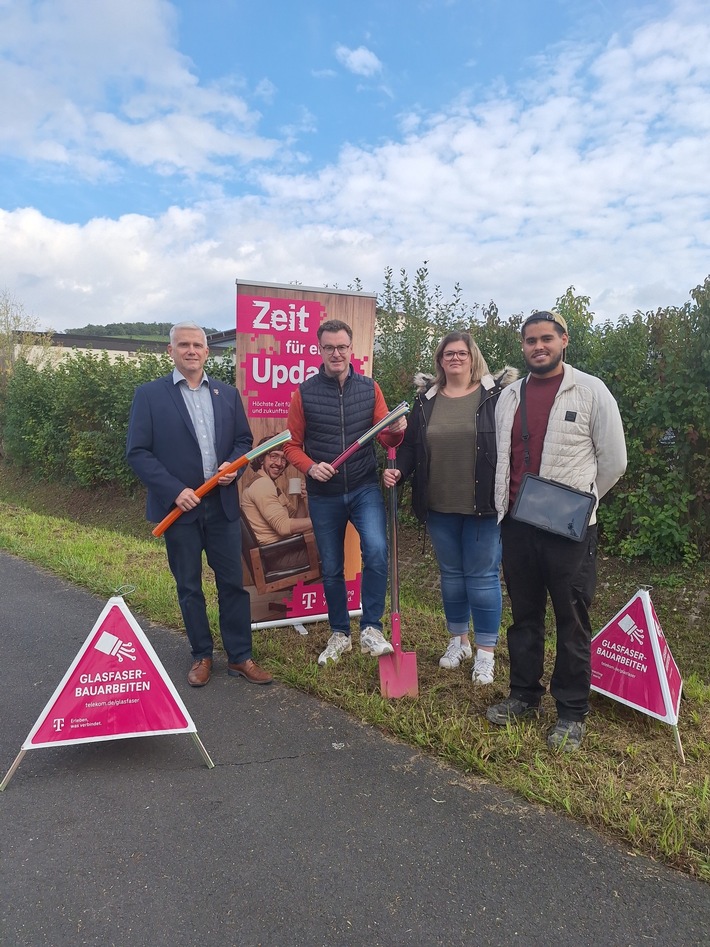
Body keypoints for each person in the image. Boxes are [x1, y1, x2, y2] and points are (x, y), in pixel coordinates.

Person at [486, 310, 626, 751]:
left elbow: (615, 462)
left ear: (564, 340)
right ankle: (524, 696)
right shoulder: (509, 396)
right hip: (516, 527)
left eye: (547, 338)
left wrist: (583, 502)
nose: (538, 347)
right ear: (523, 345)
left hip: (569, 531)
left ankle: (570, 712)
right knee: (525, 617)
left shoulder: (590, 390)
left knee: (572, 621)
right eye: (530, 340)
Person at [125, 321, 272, 688]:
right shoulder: (150, 395)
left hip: (221, 506)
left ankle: (240, 657)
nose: (191, 350)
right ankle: (202, 655)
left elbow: (243, 440)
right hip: (180, 510)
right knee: (189, 586)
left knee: (232, 585)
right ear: (170, 351)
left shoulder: (226, 394)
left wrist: (232, 468)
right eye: (184, 344)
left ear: (208, 352)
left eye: (198, 345)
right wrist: (175, 490)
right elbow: (138, 452)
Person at [383, 332, 517, 684]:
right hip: (439, 503)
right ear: (439, 360)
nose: (454, 358)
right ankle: (459, 640)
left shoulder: (496, 397)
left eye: (461, 353)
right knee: (452, 577)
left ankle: (485, 652)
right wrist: (400, 469)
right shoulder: (426, 400)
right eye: (447, 353)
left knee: (484, 577)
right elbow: (411, 446)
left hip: (484, 505)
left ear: (473, 357)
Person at [284, 319, 406, 666]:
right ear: (319, 350)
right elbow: (292, 446)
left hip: (364, 486)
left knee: (378, 552)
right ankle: (340, 633)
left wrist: (396, 431)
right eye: (329, 347)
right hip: (324, 494)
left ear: (351, 349)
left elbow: (387, 439)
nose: (336, 353)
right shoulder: (304, 393)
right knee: (333, 566)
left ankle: (371, 629)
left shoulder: (370, 389)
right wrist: (310, 466)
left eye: (342, 347)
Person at [241, 438, 313, 570]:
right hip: (277, 557)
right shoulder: (262, 484)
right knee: (331, 545)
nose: (279, 463)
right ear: (262, 458)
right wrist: (323, 521)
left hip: (283, 551)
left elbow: (294, 522)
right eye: (274, 456)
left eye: (284, 459)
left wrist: (301, 500)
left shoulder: (270, 484)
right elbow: (284, 527)